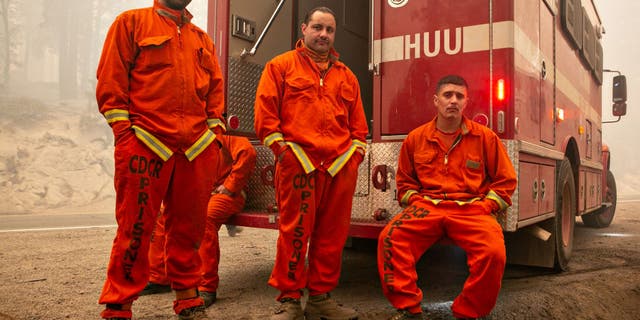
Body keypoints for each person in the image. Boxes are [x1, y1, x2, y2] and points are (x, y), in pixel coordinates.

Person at [95, 0, 226, 319]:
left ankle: (187, 300)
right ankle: (118, 306)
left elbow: (215, 91)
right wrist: (124, 132)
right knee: (136, 228)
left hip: (195, 149)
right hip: (145, 142)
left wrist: (214, 134)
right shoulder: (130, 23)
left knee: (189, 230)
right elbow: (111, 81)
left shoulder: (201, 38)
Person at [254, 6, 368, 320]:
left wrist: (353, 159)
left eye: (329, 30)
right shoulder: (280, 67)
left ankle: (320, 299)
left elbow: (359, 130)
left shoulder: (347, 76)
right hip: (298, 165)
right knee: (294, 233)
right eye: (317, 28)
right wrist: (285, 153)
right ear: (303, 29)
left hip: (338, 167)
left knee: (332, 236)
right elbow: (265, 119)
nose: (323, 35)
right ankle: (289, 300)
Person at [377, 75, 517, 320]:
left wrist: (487, 205)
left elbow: (505, 181)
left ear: (466, 102)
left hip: (472, 209)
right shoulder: (416, 138)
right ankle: (408, 308)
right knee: (390, 238)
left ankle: (469, 311)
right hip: (427, 207)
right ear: (436, 100)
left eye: (459, 96)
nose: (453, 100)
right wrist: (416, 202)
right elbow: (405, 184)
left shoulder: (485, 138)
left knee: (494, 253)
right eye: (447, 95)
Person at [141, 135, 257, 309]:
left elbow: (247, 152)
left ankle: (206, 287)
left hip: (226, 195)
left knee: (206, 218)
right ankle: (159, 278)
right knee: (163, 215)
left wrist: (230, 186)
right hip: (200, 192)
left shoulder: (225, 133)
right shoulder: (194, 132)